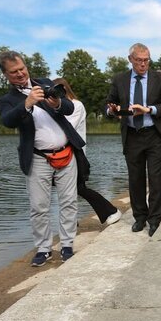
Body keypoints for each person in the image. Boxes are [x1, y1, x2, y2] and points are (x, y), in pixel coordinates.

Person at [0, 51, 84, 266]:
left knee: (69, 202)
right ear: (5, 75)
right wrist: (27, 103)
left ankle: (66, 244)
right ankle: (44, 248)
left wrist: (56, 103)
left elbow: (69, 107)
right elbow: (8, 121)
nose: (20, 74)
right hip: (37, 157)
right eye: (14, 72)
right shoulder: (8, 99)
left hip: (66, 152)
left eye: (22, 69)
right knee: (39, 206)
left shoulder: (45, 83)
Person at [106, 43, 161, 237]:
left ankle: (155, 220)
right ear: (130, 59)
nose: (143, 64)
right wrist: (112, 110)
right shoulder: (119, 79)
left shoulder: (160, 78)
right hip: (132, 134)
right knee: (135, 179)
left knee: (156, 180)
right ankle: (140, 217)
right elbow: (109, 103)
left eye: (146, 60)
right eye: (139, 60)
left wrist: (148, 109)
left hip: (155, 133)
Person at [53, 78, 122, 225]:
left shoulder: (76, 106)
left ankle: (110, 211)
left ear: (64, 90)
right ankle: (72, 221)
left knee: (79, 188)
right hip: (60, 154)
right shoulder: (56, 107)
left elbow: (67, 127)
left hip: (76, 153)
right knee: (67, 190)